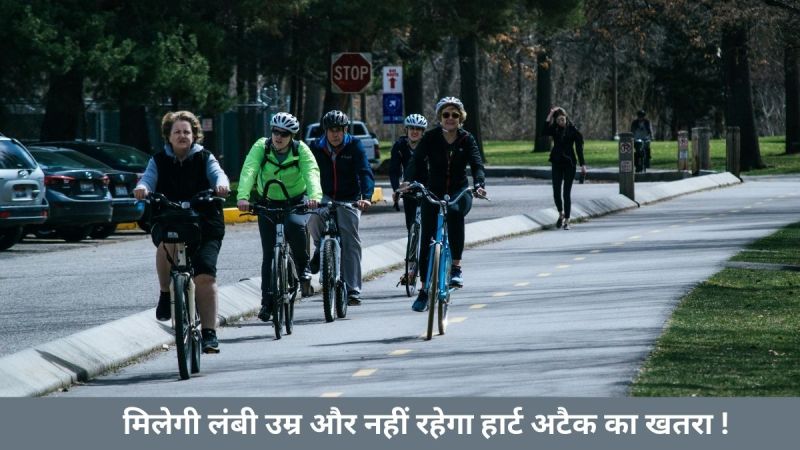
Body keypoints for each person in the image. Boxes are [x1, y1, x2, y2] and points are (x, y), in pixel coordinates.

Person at [134, 110, 230, 353]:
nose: (182, 135)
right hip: (171, 218)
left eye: (187, 131)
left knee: (205, 276)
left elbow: (218, 174)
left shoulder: (204, 157)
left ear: (194, 135)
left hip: (205, 222)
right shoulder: (158, 160)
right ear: (168, 136)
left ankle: (209, 333)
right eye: (177, 131)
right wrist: (142, 188)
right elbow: (147, 179)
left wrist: (221, 185)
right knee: (167, 243)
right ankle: (166, 293)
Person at [403, 97, 486, 312]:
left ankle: (456, 268)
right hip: (434, 191)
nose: (450, 118)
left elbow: (477, 164)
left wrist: (479, 184)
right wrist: (407, 181)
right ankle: (423, 290)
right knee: (427, 238)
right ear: (440, 117)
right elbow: (416, 160)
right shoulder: (430, 138)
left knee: (456, 213)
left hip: (459, 191)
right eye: (446, 114)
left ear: (461, 118)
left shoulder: (467, 139)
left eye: (455, 115)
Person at [237, 112, 322, 322]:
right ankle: (266, 303)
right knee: (268, 254)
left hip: (295, 201)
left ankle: (303, 269)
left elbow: (311, 172)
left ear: (292, 135)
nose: (279, 136)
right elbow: (249, 169)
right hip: (267, 202)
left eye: (284, 133)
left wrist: (314, 196)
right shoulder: (262, 147)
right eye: (275, 131)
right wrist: (243, 196)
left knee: (294, 226)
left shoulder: (300, 150)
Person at [307, 110, 375, 306]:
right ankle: (320, 246)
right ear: (325, 131)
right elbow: (308, 172)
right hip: (323, 194)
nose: (336, 134)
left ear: (345, 130)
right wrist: (310, 196)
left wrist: (366, 197)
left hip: (349, 198)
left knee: (351, 240)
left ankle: (353, 289)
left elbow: (365, 171)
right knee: (313, 218)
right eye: (331, 130)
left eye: (340, 130)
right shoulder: (316, 147)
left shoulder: (354, 145)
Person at [545, 106, 586, 231]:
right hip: (557, 162)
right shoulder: (555, 129)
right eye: (558, 120)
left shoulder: (573, 130)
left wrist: (583, 165)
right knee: (556, 191)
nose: (561, 122)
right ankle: (560, 213)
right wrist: (550, 114)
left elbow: (579, 149)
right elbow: (543, 131)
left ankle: (567, 220)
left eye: (562, 119)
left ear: (566, 118)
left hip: (569, 163)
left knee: (566, 193)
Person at [389, 113, 428, 230]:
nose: (414, 131)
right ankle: (412, 245)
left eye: (418, 129)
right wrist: (397, 188)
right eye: (412, 128)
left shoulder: (428, 145)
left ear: (423, 132)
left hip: (427, 185)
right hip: (408, 187)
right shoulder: (399, 146)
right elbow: (394, 171)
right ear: (406, 130)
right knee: (411, 226)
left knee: (429, 225)